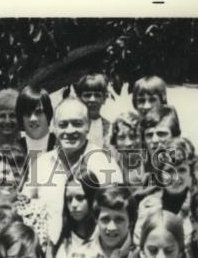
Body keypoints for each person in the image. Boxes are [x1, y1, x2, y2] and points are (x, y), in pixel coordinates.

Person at [35, 97, 123, 248]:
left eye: (77, 123)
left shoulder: (105, 164)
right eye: (63, 125)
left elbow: (118, 213)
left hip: (96, 254)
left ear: (88, 126)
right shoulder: (41, 164)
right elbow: (24, 207)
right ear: (54, 128)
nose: (70, 130)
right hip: (46, 255)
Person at [133, 136, 197, 244]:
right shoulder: (148, 205)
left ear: (190, 173)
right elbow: (139, 244)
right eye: (169, 171)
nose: (176, 177)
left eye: (182, 170)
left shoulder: (197, 206)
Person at [0, 143, 50, 252]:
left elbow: (40, 250)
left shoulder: (36, 211)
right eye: (5, 172)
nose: (10, 179)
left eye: (17, 174)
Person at [72, 72, 112, 149]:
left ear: (104, 99)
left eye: (97, 95)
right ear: (79, 98)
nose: (92, 99)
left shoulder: (110, 128)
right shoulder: (71, 126)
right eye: (87, 95)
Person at [15, 84, 56, 157]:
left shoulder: (63, 145)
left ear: (48, 113)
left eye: (38, 112)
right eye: (27, 113)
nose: (33, 118)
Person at [108, 111, 146, 187]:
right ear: (115, 141)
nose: (128, 143)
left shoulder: (152, 167)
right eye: (122, 137)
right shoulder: (111, 168)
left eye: (134, 136)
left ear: (142, 138)